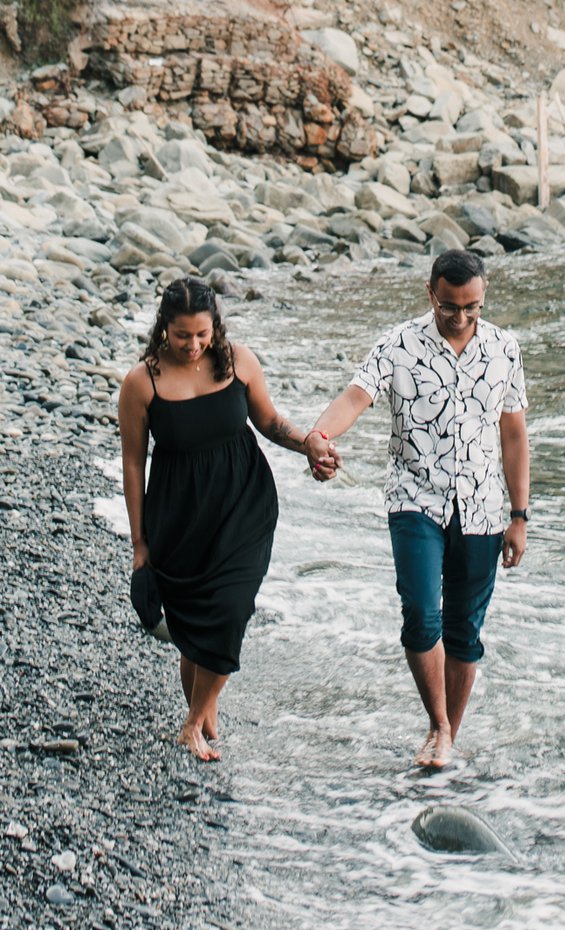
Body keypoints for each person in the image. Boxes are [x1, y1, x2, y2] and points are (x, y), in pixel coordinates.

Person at [304, 249, 530, 771]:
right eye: (450, 306)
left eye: (471, 306)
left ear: (484, 293)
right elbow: (355, 397)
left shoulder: (504, 348)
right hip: (415, 499)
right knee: (420, 613)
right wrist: (318, 435)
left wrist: (520, 516)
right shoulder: (398, 343)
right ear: (431, 293)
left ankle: (447, 733)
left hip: (483, 509)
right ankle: (439, 724)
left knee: (464, 630)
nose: (460, 317)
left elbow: (514, 433)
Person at [117, 274, 325, 762]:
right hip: (180, 516)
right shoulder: (141, 382)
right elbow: (132, 463)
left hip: (243, 504)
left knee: (230, 611)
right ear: (163, 328)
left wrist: (308, 442)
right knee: (192, 624)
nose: (193, 345)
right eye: (182, 335)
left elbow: (269, 422)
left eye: (202, 335)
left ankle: (192, 723)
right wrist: (139, 542)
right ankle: (204, 711)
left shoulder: (238, 362)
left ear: (216, 327)